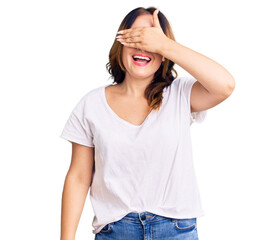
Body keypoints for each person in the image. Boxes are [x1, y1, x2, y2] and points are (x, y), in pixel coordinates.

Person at [60, 6, 235, 240]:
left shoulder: (179, 94)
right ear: (121, 43)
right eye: (136, 37)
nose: (144, 46)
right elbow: (79, 177)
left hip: (176, 231)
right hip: (115, 232)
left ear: (163, 54)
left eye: (151, 39)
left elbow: (225, 86)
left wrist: (165, 45)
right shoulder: (91, 105)